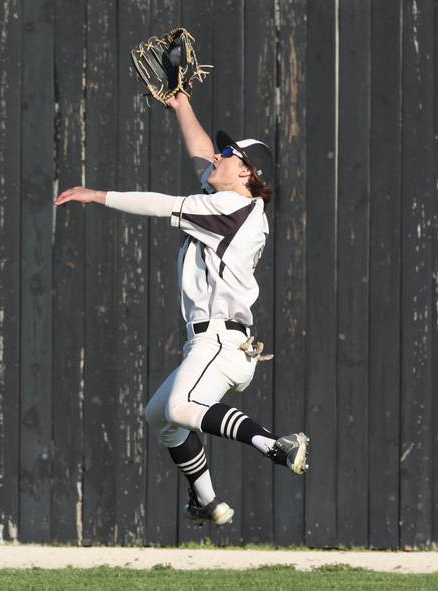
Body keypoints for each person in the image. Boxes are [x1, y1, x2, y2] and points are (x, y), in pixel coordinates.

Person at [55, 91, 309, 527]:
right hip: (216, 342)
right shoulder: (230, 204)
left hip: (220, 342)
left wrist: (96, 194)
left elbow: (161, 203)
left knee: (178, 408)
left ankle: (275, 444)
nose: (217, 156)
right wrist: (182, 104)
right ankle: (207, 502)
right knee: (161, 415)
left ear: (245, 171)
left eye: (227, 155)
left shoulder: (232, 208)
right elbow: (200, 156)